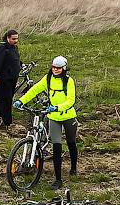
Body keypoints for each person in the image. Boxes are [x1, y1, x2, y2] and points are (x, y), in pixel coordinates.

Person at [14, 56, 78, 190]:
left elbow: (71, 100)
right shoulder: (47, 79)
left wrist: (57, 107)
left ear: (64, 68)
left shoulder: (69, 81)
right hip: (54, 117)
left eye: (58, 68)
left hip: (68, 116)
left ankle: (73, 168)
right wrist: (22, 100)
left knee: (71, 143)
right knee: (56, 146)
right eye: (54, 67)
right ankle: (58, 179)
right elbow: (35, 89)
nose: (55, 70)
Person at [0, 29, 21, 126]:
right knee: (7, 100)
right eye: (13, 39)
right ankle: (8, 122)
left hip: (12, 77)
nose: (15, 41)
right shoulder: (2, 48)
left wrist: (21, 64)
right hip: (4, 78)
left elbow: (15, 59)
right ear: (7, 38)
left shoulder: (13, 47)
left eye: (17, 39)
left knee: (6, 98)